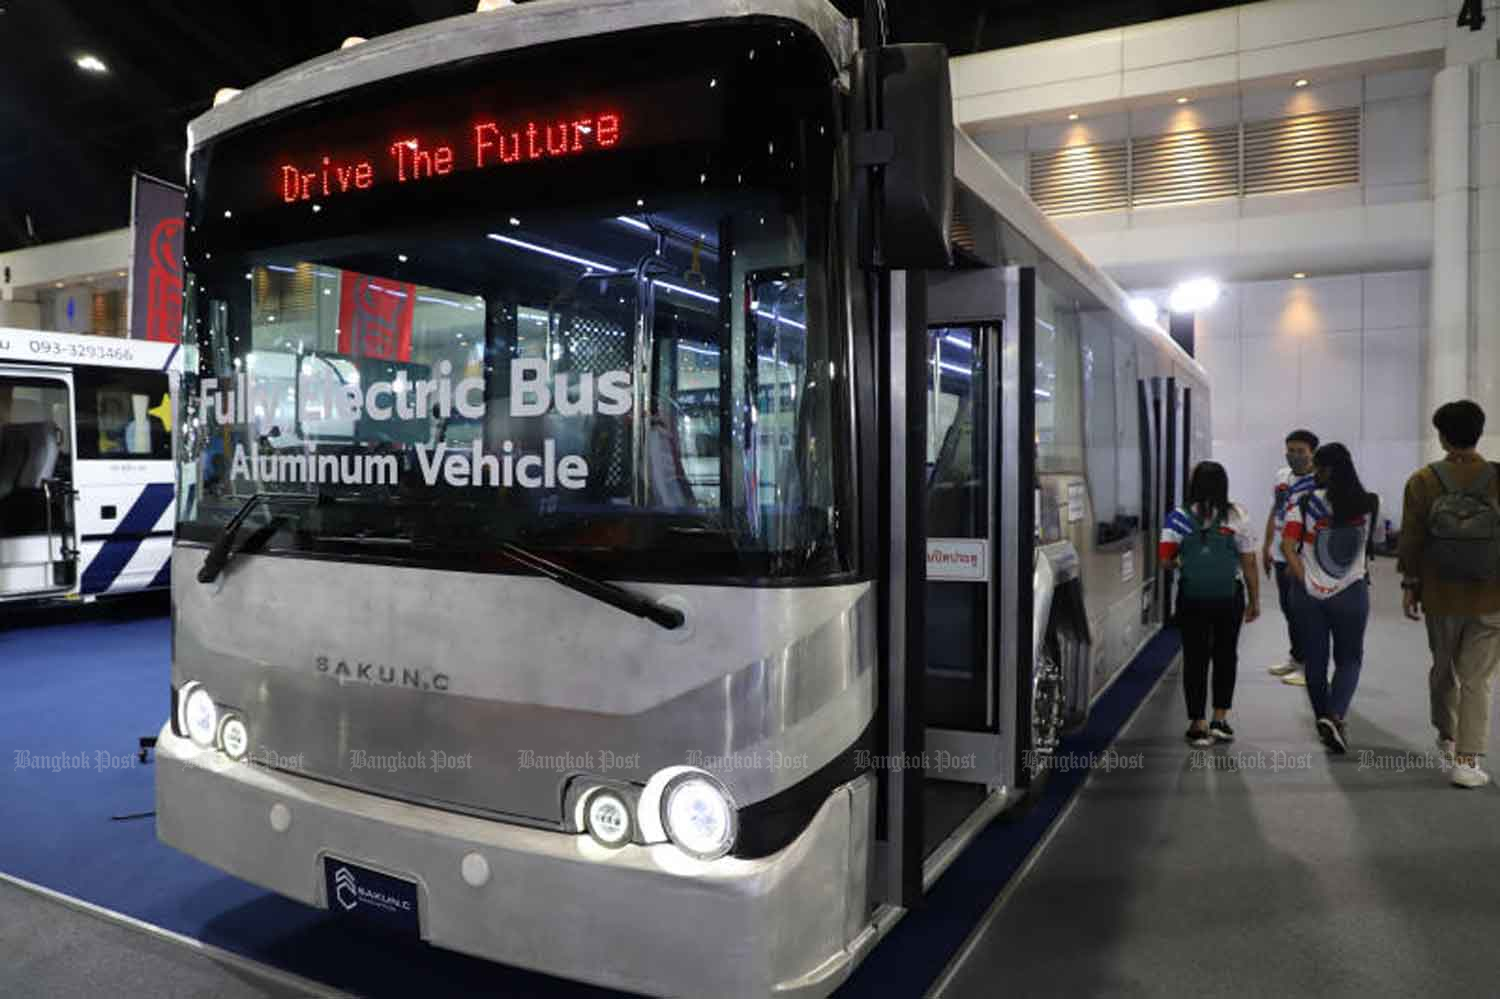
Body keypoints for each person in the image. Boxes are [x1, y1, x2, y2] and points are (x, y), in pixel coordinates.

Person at [1397, 400, 1500, 788]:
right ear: (1478, 432)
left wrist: (1410, 585)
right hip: (1492, 595)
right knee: (1478, 679)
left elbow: (1411, 539)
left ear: (1442, 436)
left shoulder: (1423, 480)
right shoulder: (1496, 477)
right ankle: (1468, 761)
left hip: (1440, 593)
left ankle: (1447, 735)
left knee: (1444, 668)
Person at [1281, 443, 1377, 753]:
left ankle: (1323, 716)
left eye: (1318, 468)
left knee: (1316, 661)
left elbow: (1288, 546)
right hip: (1351, 590)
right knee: (1349, 658)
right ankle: (1335, 717)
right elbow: (1369, 546)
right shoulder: (1368, 503)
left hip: (1308, 595)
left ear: (1325, 470)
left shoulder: (1303, 502)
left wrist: (1305, 579)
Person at [1160, 461, 1260, 747]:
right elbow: (1249, 561)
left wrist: (1188, 561)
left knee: (1195, 658)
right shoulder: (1237, 515)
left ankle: (1197, 724)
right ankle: (1220, 720)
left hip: (1192, 597)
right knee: (1226, 655)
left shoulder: (1178, 517)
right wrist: (1254, 600)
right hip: (1229, 597)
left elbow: (1166, 560)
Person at [1264, 429, 1320, 685]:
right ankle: (1296, 658)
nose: (1294, 456)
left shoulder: (1319, 482)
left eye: (1300, 451)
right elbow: (1276, 510)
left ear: (1312, 453)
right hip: (1279, 551)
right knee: (1288, 609)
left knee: (1304, 612)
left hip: (1301, 557)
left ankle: (1311, 667)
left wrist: (1297, 557)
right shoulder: (1281, 476)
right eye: (1290, 450)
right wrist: (1266, 546)